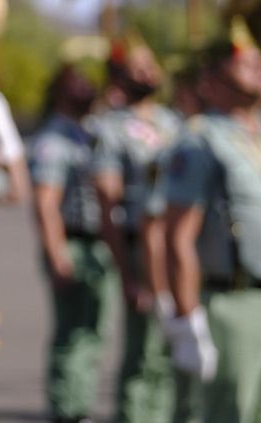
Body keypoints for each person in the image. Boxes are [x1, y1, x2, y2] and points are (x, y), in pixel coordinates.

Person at [161, 28, 261, 423]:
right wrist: (186, 317)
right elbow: (177, 237)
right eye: (244, 62)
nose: (260, 67)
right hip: (235, 305)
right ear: (211, 83)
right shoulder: (201, 140)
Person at [91, 40, 180, 423]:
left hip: (178, 251)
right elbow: (108, 209)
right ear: (121, 77)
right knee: (143, 355)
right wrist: (128, 274)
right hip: (140, 250)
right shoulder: (112, 129)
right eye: (136, 66)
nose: (147, 72)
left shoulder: (174, 123)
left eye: (151, 63)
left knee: (172, 354)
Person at [28, 64, 113, 423]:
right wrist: (57, 253)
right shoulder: (52, 140)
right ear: (61, 92)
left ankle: (79, 404)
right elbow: (46, 202)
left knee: (92, 332)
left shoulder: (85, 133)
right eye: (78, 84)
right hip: (71, 243)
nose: (87, 90)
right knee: (72, 333)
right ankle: (66, 410)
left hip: (95, 245)